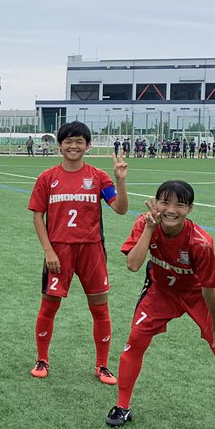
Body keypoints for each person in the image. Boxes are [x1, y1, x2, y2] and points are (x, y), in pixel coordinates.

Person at [107, 180, 215, 429]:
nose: (171, 209)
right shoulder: (145, 223)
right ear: (156, 203)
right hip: (161, 290)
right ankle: (122, 406)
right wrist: (150, 228)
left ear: (190, 209)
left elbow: (210, 289)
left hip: (198, 294)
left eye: (179, 204)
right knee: (135, 341)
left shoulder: (201, 243)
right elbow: (132, 264)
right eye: (165, 202)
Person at [28, 121, 129, 383]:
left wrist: (120, 180)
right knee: (49, 307)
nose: (74, 146)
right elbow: (38, 217)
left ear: (88, 145)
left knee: (100, 309)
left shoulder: (98, 176)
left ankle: (102, 365)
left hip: (92, 250)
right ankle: (42, 359)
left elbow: (120, 208)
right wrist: (48, 251)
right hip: (59, 251)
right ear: (59, 145)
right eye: (69, 141)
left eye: (79, 141)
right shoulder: (47, 178)